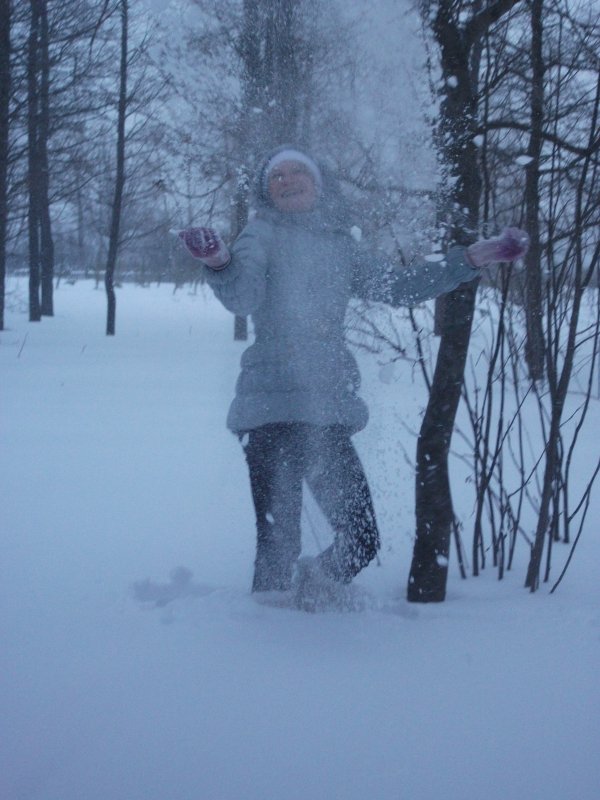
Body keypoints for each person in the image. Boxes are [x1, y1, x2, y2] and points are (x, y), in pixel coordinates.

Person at [179, 145, 528, 610]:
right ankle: (265, 640)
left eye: (295, 172)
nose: (285, 180)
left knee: (361, 539)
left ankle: (310, 595)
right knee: (278, 541)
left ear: (318, 184)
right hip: (270, 410)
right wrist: (221, 263)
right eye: (276, 175)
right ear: (268, 189)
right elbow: (243, 298)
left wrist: (469, 258)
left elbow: (398, 286)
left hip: (325, 410)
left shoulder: (340, 244)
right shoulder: (259, 234)